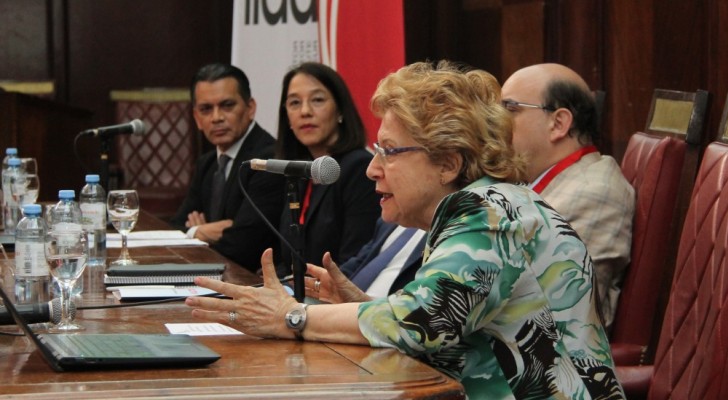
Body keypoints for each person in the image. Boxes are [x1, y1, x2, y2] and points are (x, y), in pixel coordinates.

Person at [186, 61, 624, 399]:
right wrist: (363, 305)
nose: (373, 169)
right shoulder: (484, 206)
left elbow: (422, 322)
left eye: (390, 152)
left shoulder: (487, 217)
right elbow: (455, 329)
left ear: (448, 163)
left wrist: (290, 316)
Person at [500, 63, 635, 330]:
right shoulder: (535, 180)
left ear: (558, 123)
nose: (495, 125)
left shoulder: (592, 192)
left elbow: (560, 314)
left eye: (509, 110)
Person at [171, 63, 285, 270]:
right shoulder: (207, 163)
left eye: (227, 105)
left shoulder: (269, 160)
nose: (217, 117)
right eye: (206, 109)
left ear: (250, 108)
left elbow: (244, 244)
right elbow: (175, 227)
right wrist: (197, 232)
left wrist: (196, 231)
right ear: (197, 118)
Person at [273, 62, 381, 277]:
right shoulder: (300, 172)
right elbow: (286, 259)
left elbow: (354, 261)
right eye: (295, 103)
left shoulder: (358, 168)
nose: (305, 111)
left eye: (317, 100)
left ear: (340, 110)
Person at [338, 217, 426, 297]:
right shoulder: (388, 220)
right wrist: (331, 279)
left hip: (384, 311)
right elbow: (360, 261)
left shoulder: (437, 238)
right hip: (342, 302)